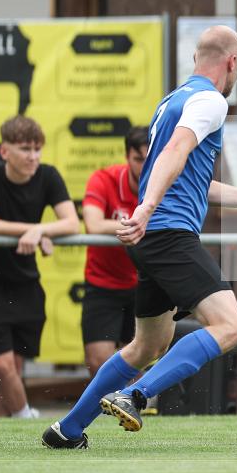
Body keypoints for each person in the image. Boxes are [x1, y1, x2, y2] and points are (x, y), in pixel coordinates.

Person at [43, 26, 237, 448]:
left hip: (153, 240)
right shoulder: (212, 101)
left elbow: (194, 180)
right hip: (168, 235)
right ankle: (134, 395)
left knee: (147, 345)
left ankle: (67, 430)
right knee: (232, 327)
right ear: (232, 63)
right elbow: (173, 153)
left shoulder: (172, 101)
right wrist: (145, 210)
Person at [0, 115, 80, 418]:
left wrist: (41, 231)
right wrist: (31, 229)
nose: (33, 156)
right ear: (5, 152)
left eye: (37, 149)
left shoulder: (48, 175)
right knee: (2, 366)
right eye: (25, 149)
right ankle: (26, 419)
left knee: (11, 370)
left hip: (25, 280)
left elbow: (72, 222)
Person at [80, 126, 148, 377]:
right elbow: (93, 225)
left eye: (149, 159)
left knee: (139, 360)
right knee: (98, 362)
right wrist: (138, 225)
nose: (144, 167)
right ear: (127, 156)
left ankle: (132, 412)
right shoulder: (103, 179)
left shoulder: (164, 183)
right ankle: (105, 411)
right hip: (103, 284)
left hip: (144, 282)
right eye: (138, 159)